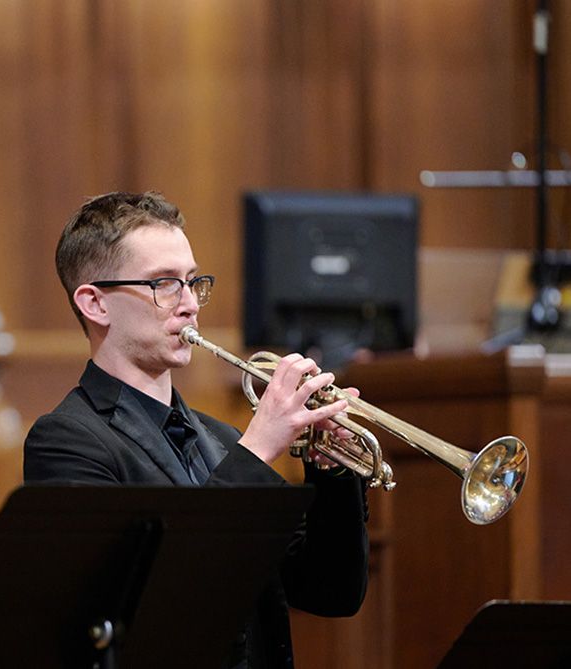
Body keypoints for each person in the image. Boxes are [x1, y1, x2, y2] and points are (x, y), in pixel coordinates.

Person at [24, 191, 369, 668]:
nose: (189, 304)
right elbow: (147, 611)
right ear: (95, 303)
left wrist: (331, 471)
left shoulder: (223, 441)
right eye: (164, 284)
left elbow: (331, 592)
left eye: (192, 282)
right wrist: (258, 449)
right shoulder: (66, 442)